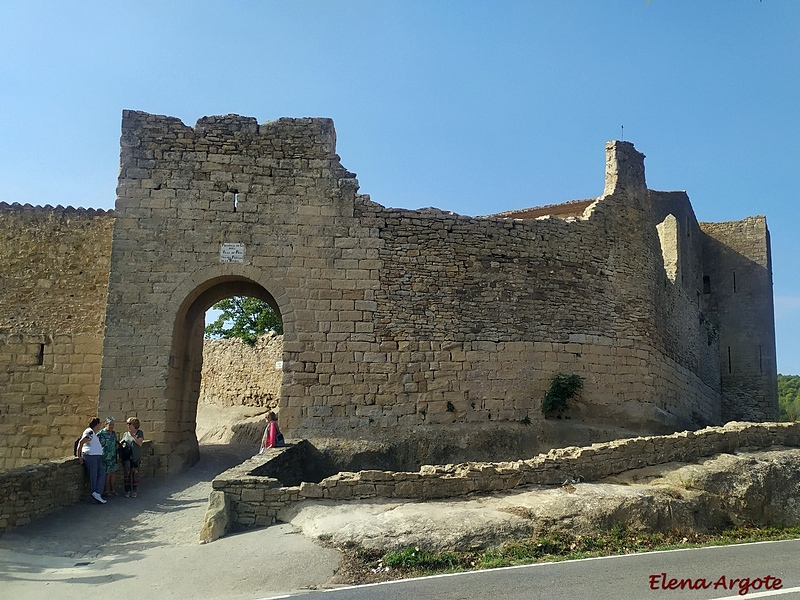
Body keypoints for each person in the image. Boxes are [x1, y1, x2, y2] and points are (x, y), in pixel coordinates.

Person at [76, 417, 106, 504]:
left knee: (101, 473)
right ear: (96, 424)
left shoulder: (93, 433)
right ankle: (95, 493)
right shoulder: (89, 432)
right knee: (94, 475)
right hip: (91, 456)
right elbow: (81, 442)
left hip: (96, 456)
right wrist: (79, 456)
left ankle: (97, 493)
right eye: (99, 424)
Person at [121, 417, 145, 497]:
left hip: (135, 457)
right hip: (127, 457)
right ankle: (127, 490)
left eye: (129, 424)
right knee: (127, 474)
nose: (127, 425)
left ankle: (134, 491)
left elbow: (140, 443)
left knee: (135, 474)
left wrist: (134, 436)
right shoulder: (125, 434)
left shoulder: (139, 433)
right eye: (127, 423)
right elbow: (122, 443)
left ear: (134, 424)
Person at [97, 417, 119, 497]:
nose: (112, 426)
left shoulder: (113, 433)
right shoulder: (101, 433)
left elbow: (115, 442)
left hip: (112, 456)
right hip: (105, 457)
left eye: (113, 425)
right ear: (106, 424)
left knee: (113, 473)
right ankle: (106, 490)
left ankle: (112, 489)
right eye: (110, 425)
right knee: (107, 474)